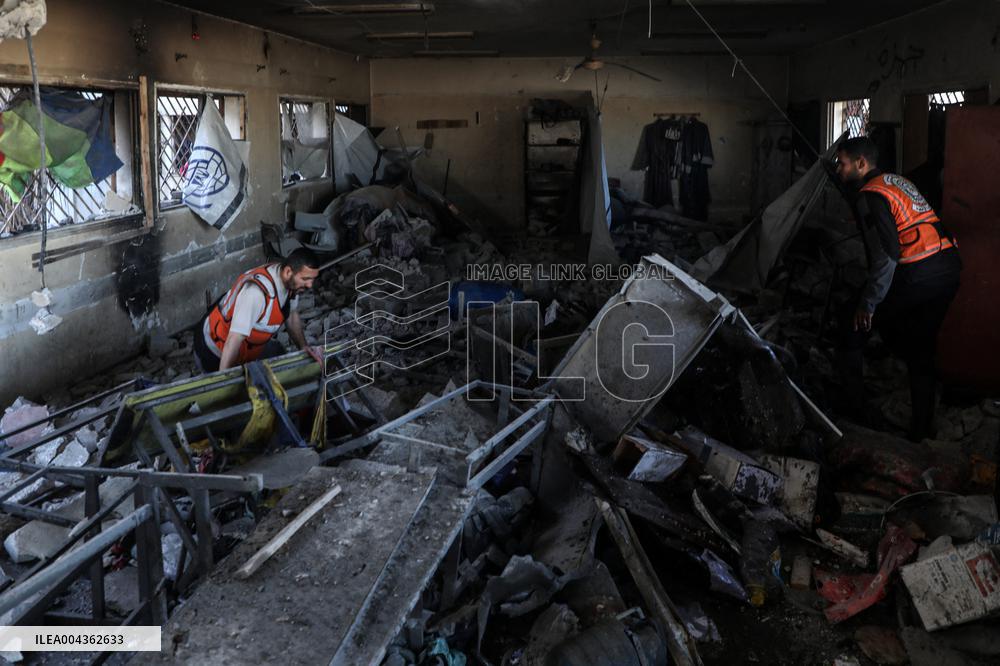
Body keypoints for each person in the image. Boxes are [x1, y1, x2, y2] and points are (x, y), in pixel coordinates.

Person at [834, 137, 962, 441]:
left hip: (918, 271)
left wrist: (868, 303)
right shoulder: (896, 181)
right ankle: (920, 431)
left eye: (842, 163)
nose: (839, 169)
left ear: (861, 164)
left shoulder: (870, 194)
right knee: (921, 350)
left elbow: (887, 255)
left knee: (849, 322)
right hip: (947, 269)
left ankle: (855, 415)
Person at [194, 248, 321, 373]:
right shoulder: (256, 294)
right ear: (288, 272)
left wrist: (303, 347)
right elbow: (233, 340)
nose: (310, 285)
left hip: (248, 348)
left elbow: (292, 315)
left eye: (312, 279)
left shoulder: (291, 282)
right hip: (214, 352)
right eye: (305, 279)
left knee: (277, 353)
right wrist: (226, 380)